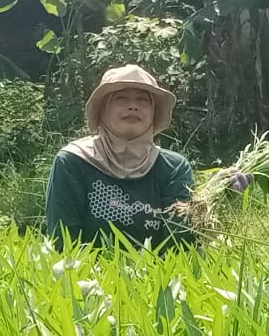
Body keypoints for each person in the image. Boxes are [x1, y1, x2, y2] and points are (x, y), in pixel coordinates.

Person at [45, 64, 198, 251]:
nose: (132, 106)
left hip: (157, 277)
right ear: (103, 110)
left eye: (142, 100)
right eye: (120, 99)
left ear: (154, 113)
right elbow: (63, 242)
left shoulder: (174, 168)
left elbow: (179, 246)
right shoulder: (73, 161)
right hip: (86, 278)